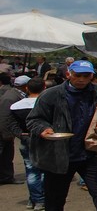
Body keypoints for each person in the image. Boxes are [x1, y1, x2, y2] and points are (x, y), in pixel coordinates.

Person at [26, 60, 97, 211]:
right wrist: (44, 129)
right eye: (78, 75)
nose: (81, 79)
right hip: (60, 155)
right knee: (54, 200)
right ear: (69, 74)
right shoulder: (51, 95)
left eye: (86, 76)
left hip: (90, 152)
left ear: (91, 76)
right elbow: (34, 119)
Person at [9, 77, 45, 210]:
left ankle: (33, 199)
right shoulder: (45, 104)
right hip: (44, 139)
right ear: (44, 88)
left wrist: (20, 134)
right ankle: (40, 199)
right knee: (44, 171)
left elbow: (11, 123)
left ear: (26, 89)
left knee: (31, 170)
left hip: (25, 139)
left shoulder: (16, 106)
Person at [0, 74, 24, 184]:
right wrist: (6, 134)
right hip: (4, 132)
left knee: (7, 155)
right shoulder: (9, 97)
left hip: (8, 132)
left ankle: (7, 177)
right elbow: (4, 117)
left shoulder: (15, 95)